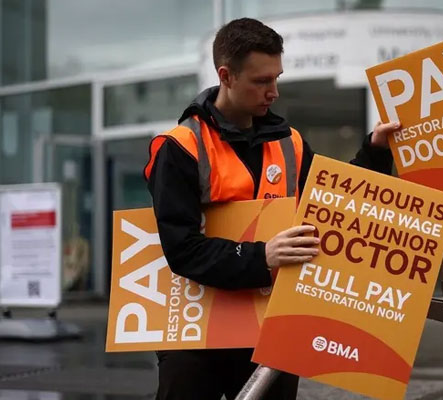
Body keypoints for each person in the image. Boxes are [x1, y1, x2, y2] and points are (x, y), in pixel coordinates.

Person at [143, 17, 399, 400]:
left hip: (270, 328)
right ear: (226, 76)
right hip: (195, 335)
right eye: (262, 81)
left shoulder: (289, 142)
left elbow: (335, 204)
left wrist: (375, 150)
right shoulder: (179, 148)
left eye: (277, 78)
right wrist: (263, 255)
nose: (274, 91)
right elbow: (182, 250)